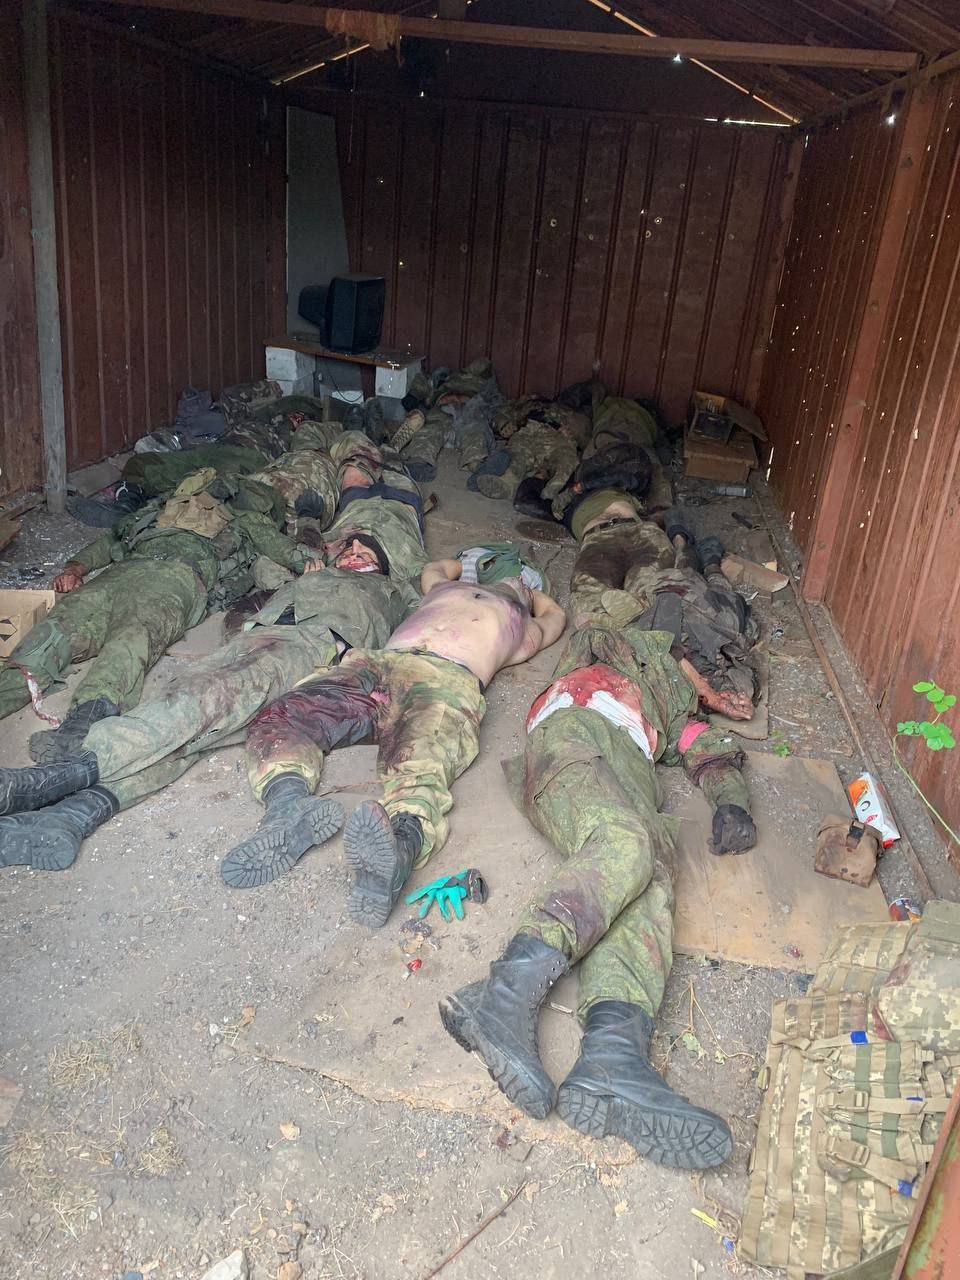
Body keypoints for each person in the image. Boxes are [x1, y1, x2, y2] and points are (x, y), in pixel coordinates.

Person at [440, 621, 756, 1169]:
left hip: (631, 769)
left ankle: (614, 1056)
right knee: (624, 842)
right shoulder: (619, 645)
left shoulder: (675, 712)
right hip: (573, 735)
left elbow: (707, 751)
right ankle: (505, 992)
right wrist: (685, 665)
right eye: (701, 670)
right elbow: (603, 620)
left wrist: (732, 801)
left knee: (651, 874)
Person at [0, 554, 421, 874]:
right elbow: (263, 568)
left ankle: (51, 780)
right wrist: (307, 570)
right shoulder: (313, 575)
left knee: (202, 701)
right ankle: (70, 817)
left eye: (365, 554)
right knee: (193, 730)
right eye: (348, 550)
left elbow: (437, 606)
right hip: (256, 637)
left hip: (312, 646)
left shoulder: (391, 592)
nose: (353, 555)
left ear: (382, 566)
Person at [221, 554, 566, 921]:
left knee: (423, 762)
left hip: (444, 678)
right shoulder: (446, 588)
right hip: (374, 663)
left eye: (521, 581)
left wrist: (529, 595)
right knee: (287, 713)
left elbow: (556, 616)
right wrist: (473, 564)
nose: (512, 578)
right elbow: (437, 567)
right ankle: (287, 806)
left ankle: (398, 848)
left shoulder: (521, 626)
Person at [0, 469, 317, 762]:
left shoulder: (242, 519)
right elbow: (111, 541)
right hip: (123, 571)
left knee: (133, 635)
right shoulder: (155, 514)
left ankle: (83, 724)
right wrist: (76, 567)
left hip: (177, 577)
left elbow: (279, 547)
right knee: (58, 626)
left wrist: (309, 560)